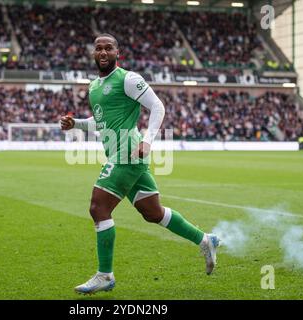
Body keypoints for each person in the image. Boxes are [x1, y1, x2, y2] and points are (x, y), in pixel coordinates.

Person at [60, 34, 220, 295]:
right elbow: (100, 122)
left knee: (98, 207)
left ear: (117, 53)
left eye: (108, 48)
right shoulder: (94, 86)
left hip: (128, 153)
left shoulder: (129, 79)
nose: (103, 52)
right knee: (153, 213)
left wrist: (148, 141)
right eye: (98, 48)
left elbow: (158, 107)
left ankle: (105, 275)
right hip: (122, 153)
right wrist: (76, 123)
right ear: (93, 53)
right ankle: (205, 240)